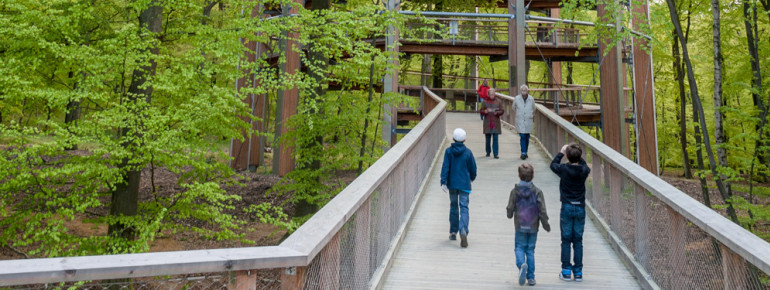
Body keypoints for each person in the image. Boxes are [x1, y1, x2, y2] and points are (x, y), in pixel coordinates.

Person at [550, 143, 591, 282]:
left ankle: (566, 270)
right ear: (580, 157)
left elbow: (553, 164)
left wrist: (561, 153)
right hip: (579, 206)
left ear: (567, 156)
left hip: (567, 206)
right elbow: (585, 165)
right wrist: (578, 155)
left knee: (566, 240)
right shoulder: (583, 170)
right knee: (578, 240)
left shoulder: (563, 169)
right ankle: (578, 272)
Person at [507, 163, 550, 286]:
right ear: (533, 176)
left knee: (519, 247)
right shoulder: (537, 192)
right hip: (533, 226)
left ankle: (521, 265)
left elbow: (510, 206)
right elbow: (542, 210)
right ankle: (531, 277)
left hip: (520, 225)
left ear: (519, 175)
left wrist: (509, 214)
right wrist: (545, 224)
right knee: (530, 250)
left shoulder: (515, 191)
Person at [440, 128, 478, 248]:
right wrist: (472, 177)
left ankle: (453, 232)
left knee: (453, 207)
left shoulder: (448, 152)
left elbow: (445, 167)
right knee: (464, 207)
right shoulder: (468, 153)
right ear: (464, 139)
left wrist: (443, 181)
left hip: (452, 184)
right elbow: (473, 168)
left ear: (453, 138)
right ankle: (463, 230)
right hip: (464, 184)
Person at [480, 88, 504, 159]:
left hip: (495, 122)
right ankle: (488, 152)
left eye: (493, 94)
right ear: (488, 94)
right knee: (488, 138)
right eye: (491, 94)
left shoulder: (498, 101)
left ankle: (495, 153)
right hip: (487, 122)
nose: (492, 95)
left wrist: (497, 113)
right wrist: (485, 111)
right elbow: (481, 111)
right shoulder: (484, 102)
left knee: (495, 138)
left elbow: (502, 110)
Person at [513, 84, 535, 160]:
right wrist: (519, 114)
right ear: (520, 91)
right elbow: (513, 108)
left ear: (527, 91)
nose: (524, 92)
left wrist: (530, 114)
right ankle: (523, 153)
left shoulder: (531, 99)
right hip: (520, 120)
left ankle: (526, 151)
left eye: (525, 90)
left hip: (528, 120)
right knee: (522, 136)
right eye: (522, 90)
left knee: (527, 137)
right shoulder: (517, 98)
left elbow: (534, 108)